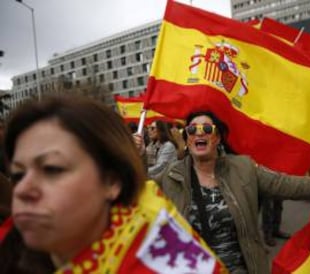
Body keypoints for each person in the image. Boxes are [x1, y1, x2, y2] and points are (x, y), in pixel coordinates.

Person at [0, 96, 226, 273]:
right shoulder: (8, 254)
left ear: (112, 181)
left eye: (51, 169)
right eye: (18, 175)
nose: (22, 190)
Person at [157, 110, 310, 274]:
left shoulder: (243, 167)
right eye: (192, 129)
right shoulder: (172, 176)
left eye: (206, 128)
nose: (199, 133)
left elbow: (285, 184)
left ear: (218, 137)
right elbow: (136, 189)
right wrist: (136, 154)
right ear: (187, 138)